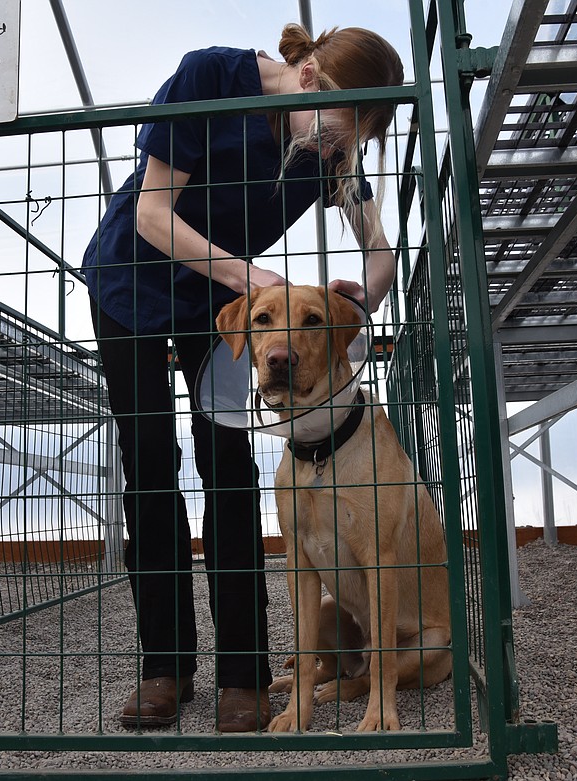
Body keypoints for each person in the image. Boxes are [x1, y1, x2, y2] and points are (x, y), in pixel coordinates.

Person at [81, 22, 403, 733]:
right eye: (340, 133)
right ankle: (164, 668)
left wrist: (364, 296)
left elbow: (380, 249)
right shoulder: (210, 78)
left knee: (226, 461)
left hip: (215, 305)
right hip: (129, 282)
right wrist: (252, 276)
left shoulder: (332, 149)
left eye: (354, 143)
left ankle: (244, 673)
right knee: (150, 464)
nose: (339, 152)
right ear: (312, 80)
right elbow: (152, 213)